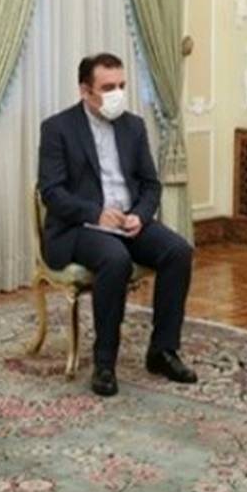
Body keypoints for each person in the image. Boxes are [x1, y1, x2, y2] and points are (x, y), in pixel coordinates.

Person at [38, 53, 196, 397]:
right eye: (108, 88)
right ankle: (104, 363)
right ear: (85, 91)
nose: (117, 94)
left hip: (128, 220)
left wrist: (141, 213)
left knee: (178, 252)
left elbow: (150, 184)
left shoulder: (133, 126)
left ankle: (163, 351)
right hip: (81, 227)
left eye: (122, 86)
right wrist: (94, 213)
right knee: (115, 259)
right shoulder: (57, 128)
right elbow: (51, 192)